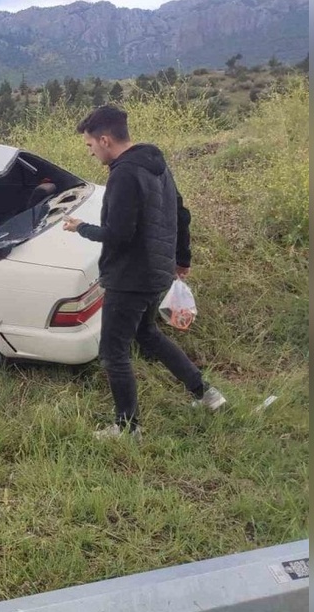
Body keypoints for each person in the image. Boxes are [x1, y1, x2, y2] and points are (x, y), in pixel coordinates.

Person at [61, 105, 226, 441]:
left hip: (130, 277)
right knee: (148, 335)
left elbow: (119, 234)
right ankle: (207, 394)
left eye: (90, 145)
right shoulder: (156, 164)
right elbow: (181, 212)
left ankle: (128, 427)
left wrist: (81, 227)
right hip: (157, 271)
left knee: (113, 352)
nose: (91, 152)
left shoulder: (123, 174)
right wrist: (182, 259)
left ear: (105, 139)